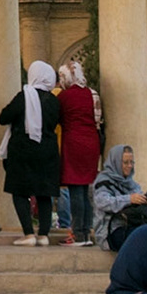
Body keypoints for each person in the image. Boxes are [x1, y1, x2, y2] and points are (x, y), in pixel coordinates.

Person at [0, 60, 62, 246]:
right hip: (48, 150)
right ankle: (43, 235)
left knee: (19, 190)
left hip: (23, 150)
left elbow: (3, 117)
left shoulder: (24, 96)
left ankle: (28, 234)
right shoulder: (54, 101)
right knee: (44, 193)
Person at [56, 61, 101, 247]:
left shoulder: (64, 97)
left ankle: (78, 234)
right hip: (92, 142)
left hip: (72, 142)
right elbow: (99, 118)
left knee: (76, 188)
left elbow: (58, 119)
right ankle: (88, 230)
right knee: (87, 189)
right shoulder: (93, 94)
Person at [90, 145, 147, 251]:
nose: (129, 166)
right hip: (111, 231)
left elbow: (137, 197)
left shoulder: (131, 183)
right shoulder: (103, 181)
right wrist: (128, 199)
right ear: (116, 162)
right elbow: (102, 202)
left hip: (131, 225)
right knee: (143, 240)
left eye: (131, 162)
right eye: (125, 162)